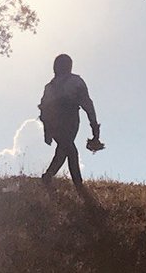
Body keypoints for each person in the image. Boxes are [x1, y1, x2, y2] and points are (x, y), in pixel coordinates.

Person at [38, 53, 100, 188]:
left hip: (57, 122)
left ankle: (50, 177)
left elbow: (43, 110)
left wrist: (47, 131)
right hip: (67, 120)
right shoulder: (75, 82)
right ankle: (76, 183)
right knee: (69, 149)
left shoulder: (50, 86)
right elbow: (88, 104)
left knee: (65, 149)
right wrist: (94, 127)